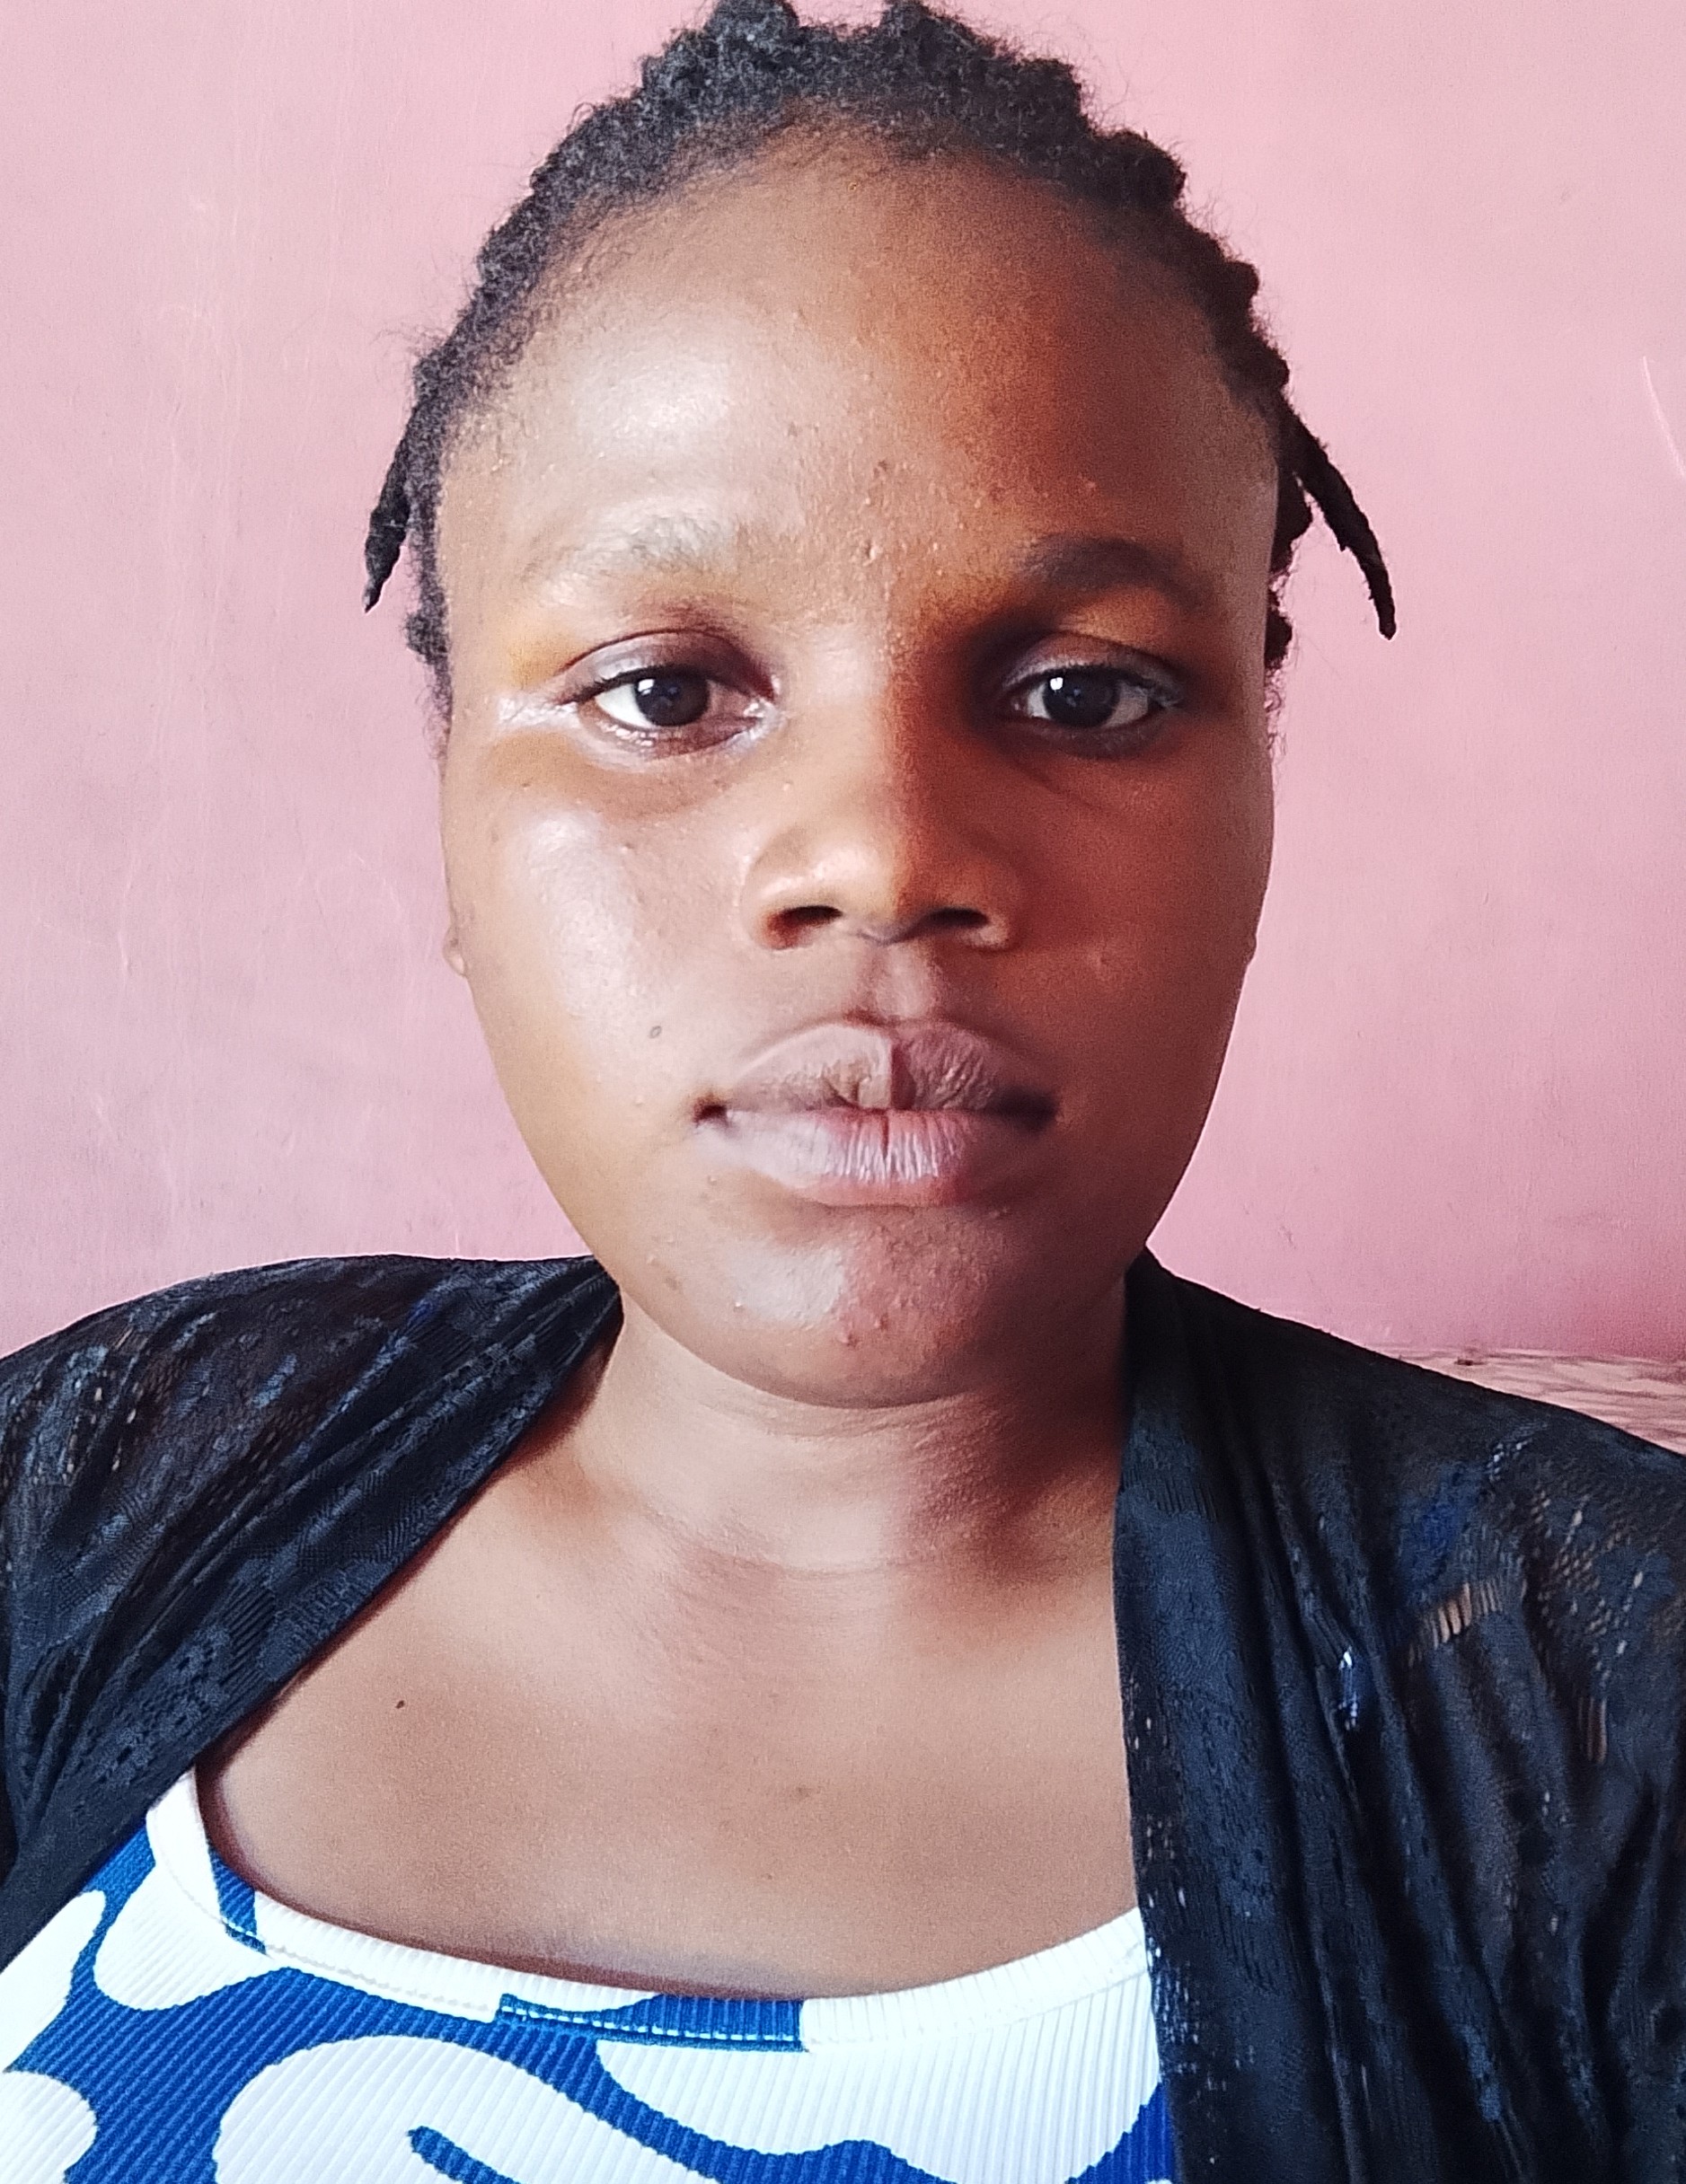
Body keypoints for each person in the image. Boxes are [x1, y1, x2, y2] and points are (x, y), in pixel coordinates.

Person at [0, 3, 1680, 2178]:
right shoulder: (92, 1479)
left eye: (1084, 694)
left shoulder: (1608, 1702)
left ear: (1259, 804)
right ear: (452, 820)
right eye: (663, 692)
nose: (884, 854)